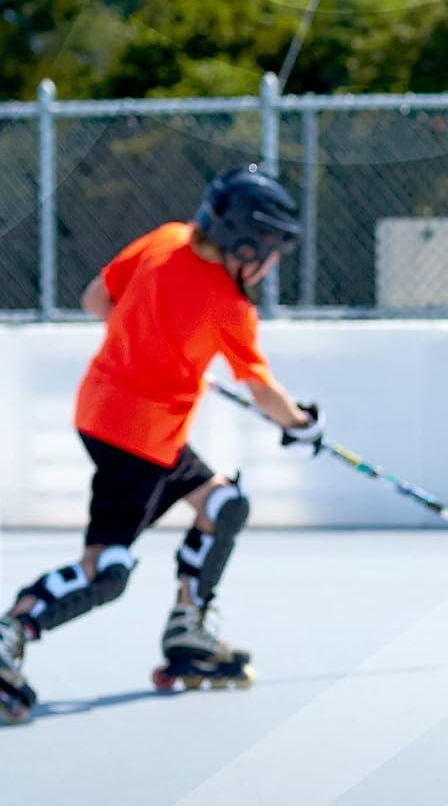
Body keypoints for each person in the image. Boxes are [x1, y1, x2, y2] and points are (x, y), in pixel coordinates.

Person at [0, 167, 324, 723]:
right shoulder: (230, 306)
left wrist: (158, 345)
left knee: (224, 505)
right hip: (138, 440)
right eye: (268, 253)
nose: (269, 268)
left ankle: (186, 629)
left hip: (109, 413)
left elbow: (97, 301)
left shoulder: (166, 238)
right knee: (109, 570)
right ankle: (11, 629)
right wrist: (301, 425)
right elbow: (262, 392)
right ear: (243, 244)